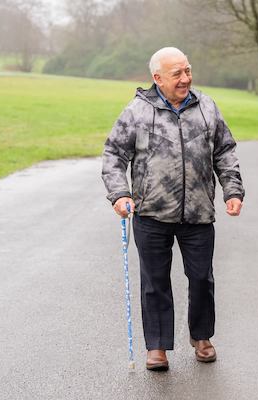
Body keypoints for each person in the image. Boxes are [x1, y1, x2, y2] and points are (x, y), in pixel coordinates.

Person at [102, 47, 244, 371]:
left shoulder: (206, 106)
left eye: (188, 71)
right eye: (177, 74)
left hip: (198, 213)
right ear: (157, 78)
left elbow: (225, 150)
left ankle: (202, 336)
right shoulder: (138, 110)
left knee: (201, 279)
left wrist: (232, 189)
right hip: (151, 212)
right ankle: (157, 346)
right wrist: (119, 195)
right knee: (155, 282)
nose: (185, 78)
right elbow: (113, 155)